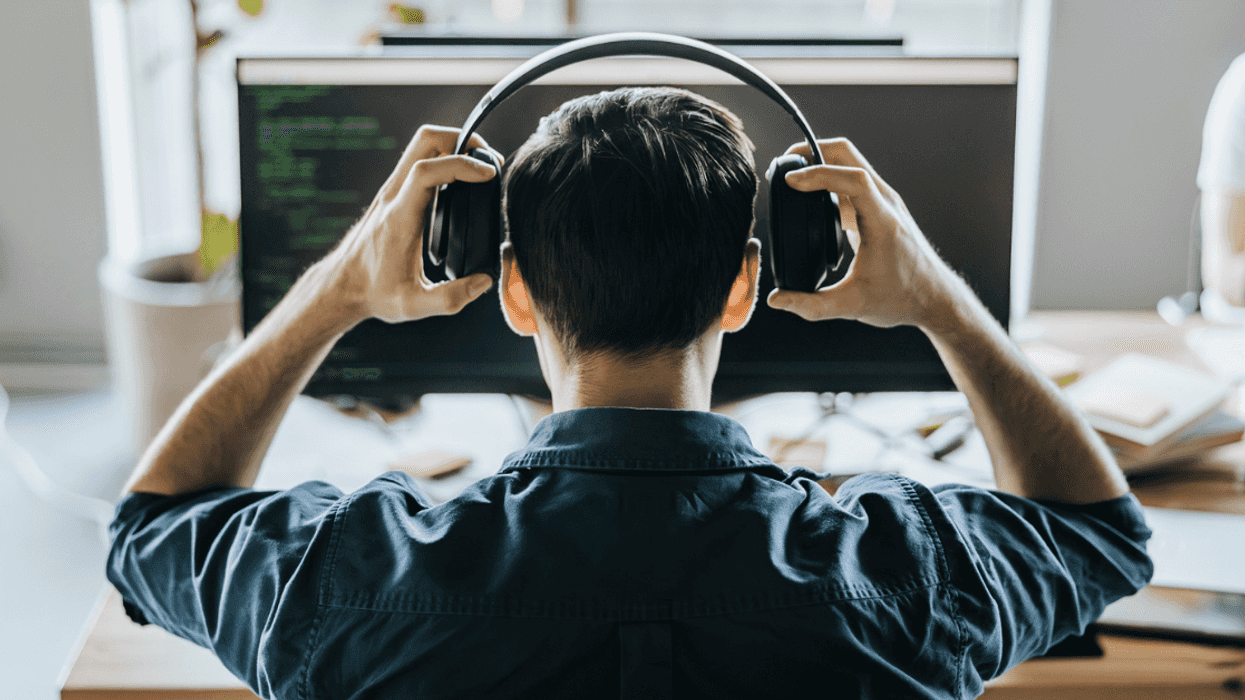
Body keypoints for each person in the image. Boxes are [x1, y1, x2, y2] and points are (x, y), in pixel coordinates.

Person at [108, 87, 1152, 699]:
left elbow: (152, 522)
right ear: (747, 285)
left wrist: (339, 290)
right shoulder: (904, 576)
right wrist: (943, 305)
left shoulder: (349, 581)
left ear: (511, 289)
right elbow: (1101, 534)